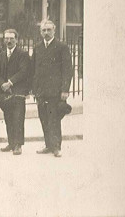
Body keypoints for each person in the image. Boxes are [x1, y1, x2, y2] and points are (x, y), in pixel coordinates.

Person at [32, 20, 73, 158]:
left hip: (55, 91)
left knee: (54, 119)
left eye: (49, 30)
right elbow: (34, 69)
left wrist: (65, 90)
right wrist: (34, 88)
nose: (46, 33)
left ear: (54, 30)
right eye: (44, 30)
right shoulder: (37, 47)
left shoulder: (62, 47)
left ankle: (56, 147)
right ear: (40, 32)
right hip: (41, 91)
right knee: (43, 118)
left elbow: (67, 70)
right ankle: (48, 145)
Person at [0, 29, 30, 155]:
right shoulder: (1, 55)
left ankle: (18, 144)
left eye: (11, 39)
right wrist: (2, 84)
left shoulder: (23, 54)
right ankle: (11, 142)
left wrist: (10, 82)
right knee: (8, 117)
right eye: (6, 38)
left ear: (16, 40)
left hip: (17, 91)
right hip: (4, 92)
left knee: (18, 118)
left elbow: (24, 71)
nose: (9, 41)